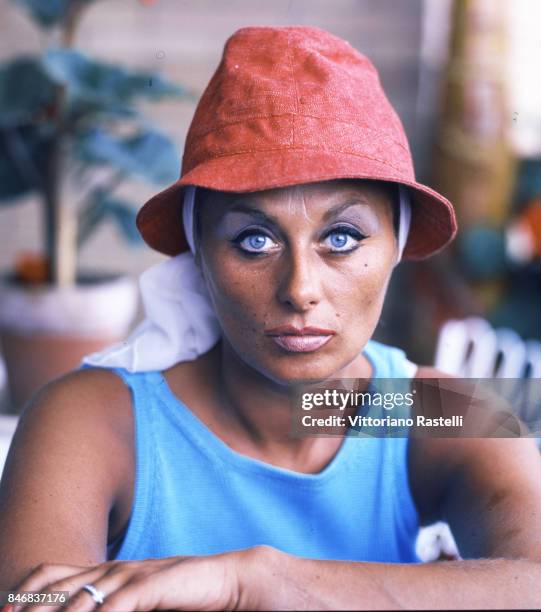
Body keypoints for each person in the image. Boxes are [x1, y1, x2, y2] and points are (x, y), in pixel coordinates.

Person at [1, 25, 541, 612]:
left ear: (396, 245)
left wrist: (263, 583)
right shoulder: (96, 422)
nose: (300, 289)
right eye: (254, 240)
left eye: (342, 236)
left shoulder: (429, 412)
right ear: (198, 252)